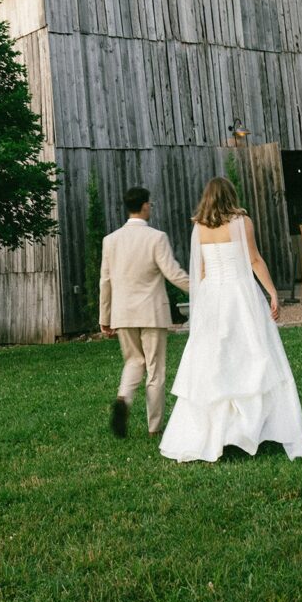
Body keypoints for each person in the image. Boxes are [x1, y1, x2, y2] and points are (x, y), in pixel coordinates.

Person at [160, 177, 302, 462]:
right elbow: (253, 260)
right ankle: (251, 426)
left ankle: (219, 432)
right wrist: (272, 292)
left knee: (214, 361)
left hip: (213, 297)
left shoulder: (199, 227)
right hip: (239, 295)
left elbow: (200, 271)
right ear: (231, 196)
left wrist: (201, 307)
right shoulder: (242, 222)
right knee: (251, 355)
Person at [100, 186, 190, 438]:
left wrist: (104, 318)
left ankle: (124, 399)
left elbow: (104, 281)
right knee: (155, 370)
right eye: (149, 204)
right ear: (144, 206)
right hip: (151, 313)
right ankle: (154, 428)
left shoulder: (111, 240)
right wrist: (201, 288)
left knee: (133, 361)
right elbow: (173, 273)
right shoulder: (156, 238)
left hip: (123, 313)